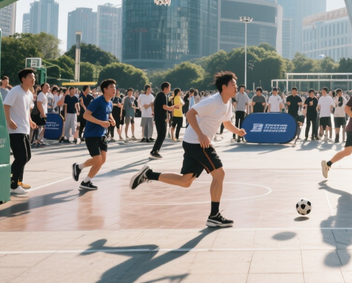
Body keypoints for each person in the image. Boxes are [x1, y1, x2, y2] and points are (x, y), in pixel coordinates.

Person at [129, 71, 246, 228]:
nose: (236, 86)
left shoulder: (227, 103)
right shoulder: (213, 101)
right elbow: (190, 114)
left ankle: (149, 174)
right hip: (198, 143)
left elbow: (226, 123)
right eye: (233, 84)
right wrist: (201, 135)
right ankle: (214, 215)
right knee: (219, 174)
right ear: (224, 87)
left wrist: (237, 131)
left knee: (185, 181)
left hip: (194, 142)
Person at [71, 79, 117, 191]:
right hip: (91, 135)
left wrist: (112, 119)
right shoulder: (97, 101)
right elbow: (86, 115)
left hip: (102, 135)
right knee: (97, 160)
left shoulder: (110, 102)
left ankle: (84, 177)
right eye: (112, 87)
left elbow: (108, 112)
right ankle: (83, 177)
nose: (114, 89)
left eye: (115, 87)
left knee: (102, 160)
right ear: (105, 89)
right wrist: (101, 122)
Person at [3, 68, 38, 195]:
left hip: (25, 129)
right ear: (23, 79)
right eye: (30, 77)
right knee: (21, 157)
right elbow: (6, 105)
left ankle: (18, 181)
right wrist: (9, 120)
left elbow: (27, 110)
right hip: (14, 130)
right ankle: (12, 184)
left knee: (27, 156)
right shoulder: (15, 91)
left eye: (34, 77)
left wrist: (30, 121)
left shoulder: (29, 93)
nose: (33, 79)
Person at [150, 82, 175, 159]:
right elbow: (164, 107)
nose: (170, 89)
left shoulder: (161, 95)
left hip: (160, 118)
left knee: (161, 135)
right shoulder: (162, 95)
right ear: (166, 88)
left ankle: (155, 150)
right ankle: (154, 151)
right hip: (160, 118)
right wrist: (171, 108)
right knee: (161, 135)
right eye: (169, 87)